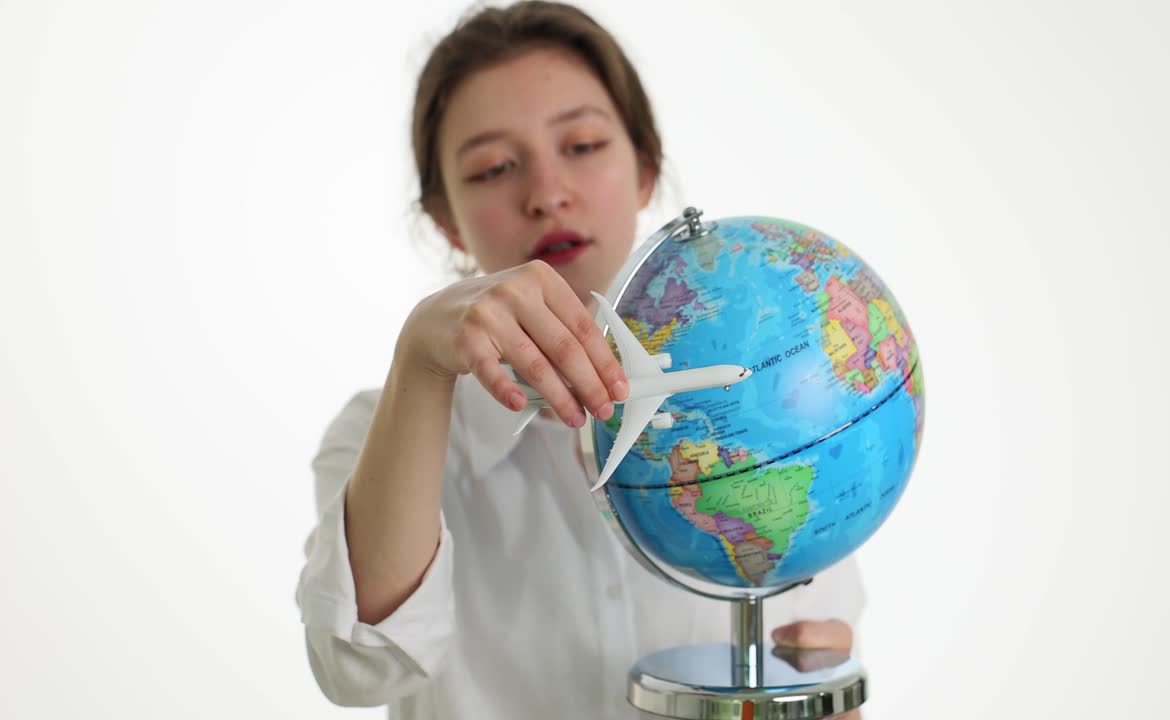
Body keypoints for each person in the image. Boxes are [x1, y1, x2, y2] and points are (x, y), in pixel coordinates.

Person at [294, 2, 867, 718]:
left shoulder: (786, 405)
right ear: (443, 218)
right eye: (495, 167)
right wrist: (420, 357)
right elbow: (360, 670)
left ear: (647, 169)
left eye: (585, 144)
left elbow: (816, 650)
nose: (546, 193)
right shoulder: (382, 432)